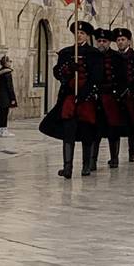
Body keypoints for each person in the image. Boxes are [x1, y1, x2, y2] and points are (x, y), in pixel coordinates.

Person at [39, 21, 102, 178]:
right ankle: (67, 167)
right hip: (69, 98)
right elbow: (57, 73)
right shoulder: (66, 52)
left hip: (86, 99)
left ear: (87, 35)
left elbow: (96, 77)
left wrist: (84, 94)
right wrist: (67, 68)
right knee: (69, 132)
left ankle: (86, 165)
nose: (79, 35)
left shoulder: (94, 54)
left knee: (87, 132)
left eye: (82, 33)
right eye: (77, 33)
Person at [92, 28, 128, 170]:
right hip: (95, 98)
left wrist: (118, 94)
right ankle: (92, 160)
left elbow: (123, 79)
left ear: (109, 42)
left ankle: (114, 157)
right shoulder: (92, 55)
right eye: (99, 41)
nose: (101, 43)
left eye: (104, 41)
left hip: (112, 98)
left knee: (113, 129)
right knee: (95, 130)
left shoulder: (117, 58)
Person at [113, 27, 134, 162]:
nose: (120, 42)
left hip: (131, 96)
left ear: (128, 41)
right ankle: (114, 155)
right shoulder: (113, 57)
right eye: (118, 40)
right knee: (114, 124)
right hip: (116, 96)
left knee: (131, 125)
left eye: (123, 40)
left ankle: (132, 151)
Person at [0, 55, 17, 137]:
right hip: (6, 95)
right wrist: (13, 98)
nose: (10, 63)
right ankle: (4, 130)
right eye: (9, 61)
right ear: (6, 63)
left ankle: (0, 129)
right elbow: (10, 86)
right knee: (4, 113)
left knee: (1, 113)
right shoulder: (7, 73)